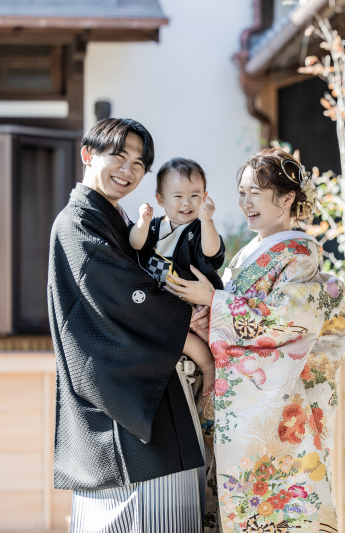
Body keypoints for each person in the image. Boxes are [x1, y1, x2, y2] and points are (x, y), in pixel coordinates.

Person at [166, 149, 345, 533]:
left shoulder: (299, 256)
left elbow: (289, 321)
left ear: (286, 199)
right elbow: (234, 319)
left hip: (275, 411)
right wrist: (208, 318)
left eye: (256, 192)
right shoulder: (248, 255)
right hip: (240, 407)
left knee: (275, 507)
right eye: (241, 192)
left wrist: (216, 302)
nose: (245, 202)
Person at [48, 118, 207, 532]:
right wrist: (192, 338)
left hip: (145, 381)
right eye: (119, 155)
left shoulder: (118, 221)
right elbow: (123, 295)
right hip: (119, 396)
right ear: (88, 154)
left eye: (139, 163)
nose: (128, 169)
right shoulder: (76, 223)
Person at [130, 157, 225, 396]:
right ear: (160, 200)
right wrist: (142, 223)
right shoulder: (153, 227)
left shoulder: (200, 228)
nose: (187, 203)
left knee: (195, 335)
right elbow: (135, 245)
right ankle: (206, 358)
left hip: (192, 298)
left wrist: (208, 221)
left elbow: (212, 252)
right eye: (178, 196)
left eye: (195, 195)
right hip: (165, 302)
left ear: (205, 198)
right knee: (179, 336)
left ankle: (208, 365)